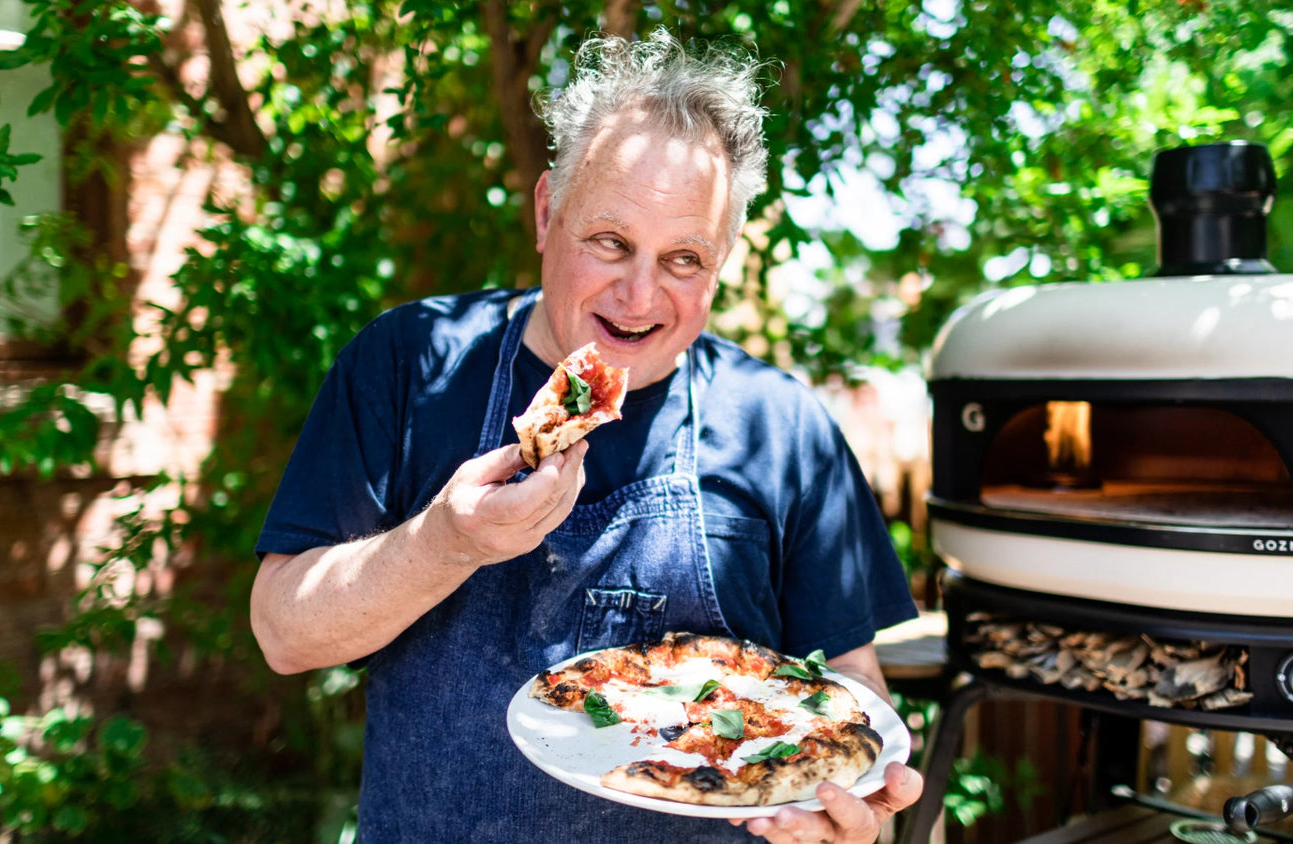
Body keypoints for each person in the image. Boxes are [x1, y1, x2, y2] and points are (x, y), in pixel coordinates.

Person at [251, 28, 924, 843]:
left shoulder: (780, 424)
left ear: (722, 262)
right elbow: (284, 633)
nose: (639, 297)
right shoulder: (408, 362)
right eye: (610, 242)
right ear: (546, 213)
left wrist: (855, 818)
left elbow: (851, 690)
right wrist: (444, 543)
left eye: (683, 259)